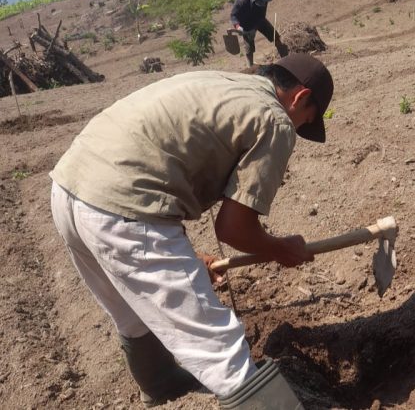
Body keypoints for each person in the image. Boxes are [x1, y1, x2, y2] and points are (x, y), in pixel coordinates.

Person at [49, 53, 333, 408]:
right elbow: (233, 228)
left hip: (70, 187)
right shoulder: (274, 119)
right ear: (301, 97)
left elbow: (164, 159)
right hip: (123, 207)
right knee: (217, 344)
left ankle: (161, 384)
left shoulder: (226, 84)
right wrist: (279, 248)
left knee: (132, 312)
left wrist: (186, 258)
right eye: (306, 121)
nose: (300, 129)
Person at [230, 0, 289, 67]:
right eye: (261, 0)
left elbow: (262, 15)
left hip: (259, 19)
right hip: (246, 24)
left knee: (275, 36)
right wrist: (238, 27)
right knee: (249, 48)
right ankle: (250, 67)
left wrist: (256, 26)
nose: (263, 3)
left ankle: (286, 59)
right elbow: (233, 16)